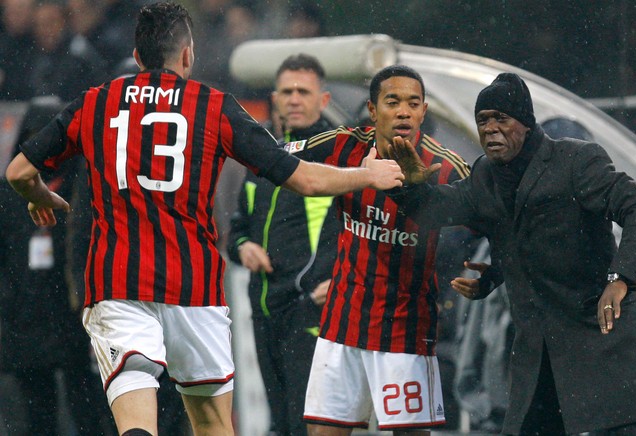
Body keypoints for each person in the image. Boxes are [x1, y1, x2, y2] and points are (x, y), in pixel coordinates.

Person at [3, 3, 404, 435]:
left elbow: (19, 172)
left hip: (118, 284)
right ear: (188, 56)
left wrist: (38, 196)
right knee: (213, 424)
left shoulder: (94, 103)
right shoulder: (214, 107)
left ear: (137, 57)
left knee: (136, 419)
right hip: (193, 288)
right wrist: (368, 173)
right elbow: (303, 178)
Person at [387, 72, 636, 435]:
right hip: (542, 356)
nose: (490, 128)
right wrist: (410, 188)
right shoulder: (485, 178)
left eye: (501, 119)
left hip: (605, 342)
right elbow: (439, 210)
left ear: (525, 123)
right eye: (483, 120)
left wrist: (621, 280)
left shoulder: (576, 160)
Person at [293, 64, 471, 434]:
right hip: (342, 325)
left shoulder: (445, 166)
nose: (404, 111)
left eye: (413, 103)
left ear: (424, 111)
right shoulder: (343, 144)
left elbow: (489, 216)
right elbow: (278, 158)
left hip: (405, 330)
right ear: (373, 110)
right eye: (393, 102)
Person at [227, 53, 337, 436]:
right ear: (274, 98)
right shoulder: (264, 153)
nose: (293, 99)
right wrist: (242, 247)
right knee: (277, 422)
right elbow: (237, 228)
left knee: (307, 420)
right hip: (263, 307)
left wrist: (343, 280)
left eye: (302, 92)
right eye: (286, 91)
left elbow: (358, 230)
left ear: (322, 100)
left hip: (310, 308)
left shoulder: (337, 153)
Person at [0, 97, 116, 435]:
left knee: (86, 406)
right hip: (25, 315)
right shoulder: (9, 194)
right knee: (36, 411)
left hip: (70, 313)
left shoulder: (84, 185)